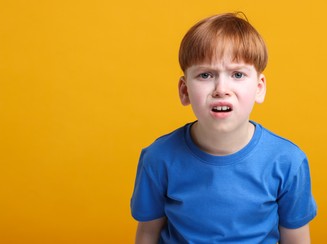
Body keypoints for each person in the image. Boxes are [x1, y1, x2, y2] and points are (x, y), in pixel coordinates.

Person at [130, 12, 317, 244]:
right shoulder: (158, 158)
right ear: (184, 90)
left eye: (237, 74)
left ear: (259, 88)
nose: (221, 89)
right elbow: (147, 233)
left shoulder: (288, 162)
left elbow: (296, 239)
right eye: (206, 75)